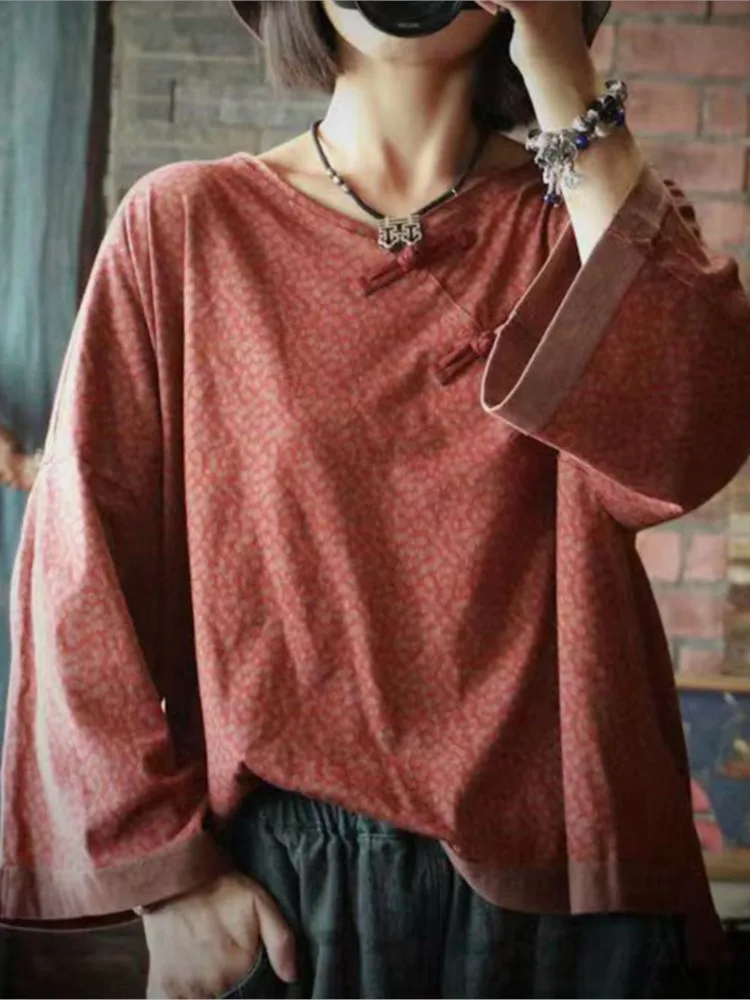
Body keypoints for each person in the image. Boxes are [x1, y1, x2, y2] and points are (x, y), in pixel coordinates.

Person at [2, 1, 750, 997]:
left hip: (573, 878)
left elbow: (690, 442)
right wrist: (166, 879)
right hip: (285, 884)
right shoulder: (186, 229)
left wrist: (563, 73)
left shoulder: (582, 222)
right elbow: (77, 571)